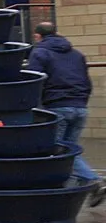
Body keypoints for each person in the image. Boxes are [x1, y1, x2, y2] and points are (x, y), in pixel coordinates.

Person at [28, 22, 100, 200]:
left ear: (38, 36)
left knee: (59, 150)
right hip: (80, 107)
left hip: (57, 106)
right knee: (70, 149)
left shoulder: (39, 53)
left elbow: (33, 81)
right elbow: (87, 81)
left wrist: (35, 109)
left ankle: (92, 180)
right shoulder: (77, 54)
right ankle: (74, 190)